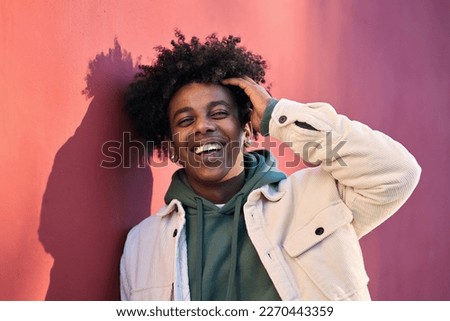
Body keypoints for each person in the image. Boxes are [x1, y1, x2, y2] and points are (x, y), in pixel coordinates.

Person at [120, 31, 421, 301]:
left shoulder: (317, 198)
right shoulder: (141, 245)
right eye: (186, 120)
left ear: (249, 129)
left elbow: (397, 172)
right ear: (172, 148)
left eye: (220, 112)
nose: (203, 127)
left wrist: (275, 114)